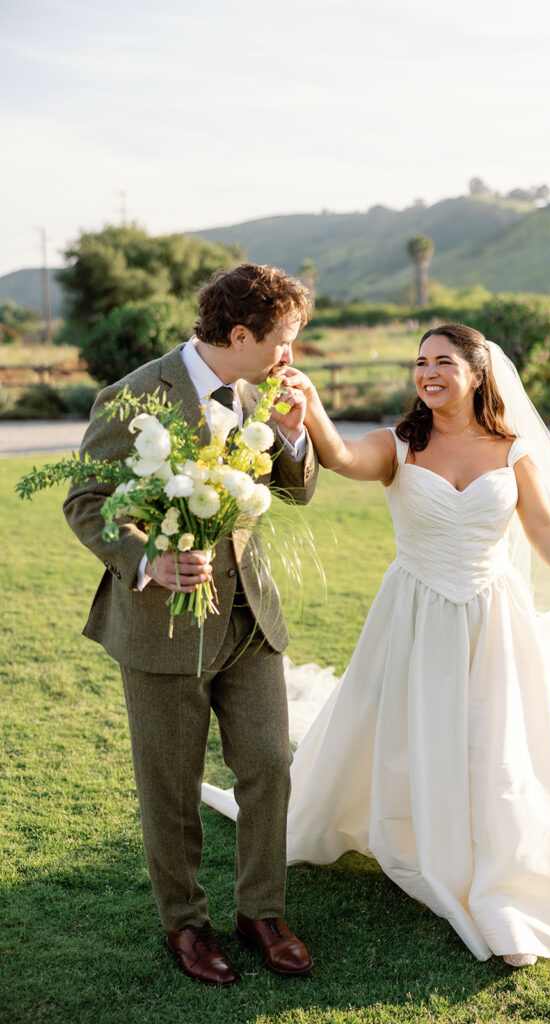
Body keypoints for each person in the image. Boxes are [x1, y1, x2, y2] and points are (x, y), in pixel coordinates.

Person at [203, 323, 550, 968]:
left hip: (489, 616)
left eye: (443, 362)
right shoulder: (398, 446)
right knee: (403, 727)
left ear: (476, 374)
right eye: (420, 361)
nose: (428, 372)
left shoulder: (510, 449)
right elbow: (340, 459)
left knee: (491, 736)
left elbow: (542, 524)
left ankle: (491, 861)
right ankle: (414, 832)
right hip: (415, 607)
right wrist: (309, 408)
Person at [63, 264, 319, 988]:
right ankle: (186, 925)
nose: (289, 356)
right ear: (238, 335)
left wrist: (293, 437)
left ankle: (260, 912)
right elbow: (87, 498)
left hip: (247, 618)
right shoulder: (134, 395)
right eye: (282, 341)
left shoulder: (258, 390)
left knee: (268, 764)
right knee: (171, 788)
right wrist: (149, 562)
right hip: (160, 626)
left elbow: (291, 491)